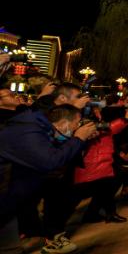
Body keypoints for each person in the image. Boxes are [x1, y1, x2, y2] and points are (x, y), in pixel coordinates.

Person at [0, 105, 97, 254]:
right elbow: (50, 161)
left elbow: (54, 153)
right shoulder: (27, 132)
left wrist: (80, 140)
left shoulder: (40, 130)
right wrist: (78, 138)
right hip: (5, 196)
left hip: (9, 199)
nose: (78, 127)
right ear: (64, 123)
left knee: (10, 248)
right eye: (76, 124)